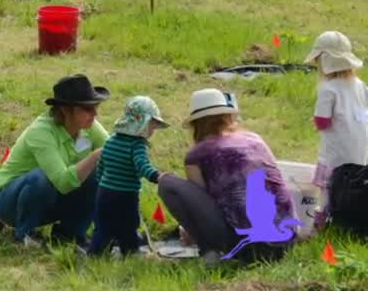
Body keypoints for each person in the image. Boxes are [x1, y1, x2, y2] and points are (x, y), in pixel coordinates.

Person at [158, 89, 295, 264]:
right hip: (285, 240)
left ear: (196, 124)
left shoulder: (197, 155)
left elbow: (202, 204)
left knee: (167, 183)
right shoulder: (255, 139)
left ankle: (211, 252)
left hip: (245, 246)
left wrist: (190, 230)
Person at [0, 75, 110, 248]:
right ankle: (24, 234)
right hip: (9, 202)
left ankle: (71, 234)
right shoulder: (41, 132)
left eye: (95, 107)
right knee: (42, 177)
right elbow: (62, 182)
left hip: (52, 198)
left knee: (102, 171)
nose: (95, 114)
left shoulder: (89, 125)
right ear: (65, 110)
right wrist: (94, 156)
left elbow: (114, 152)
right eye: (87, 108)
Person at [86, 96, 168, 257]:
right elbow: (142, 165)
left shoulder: (111, 141)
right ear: (142, 123)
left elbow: (101, 166)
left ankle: (96, 253)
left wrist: (101, 182)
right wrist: (157, 176)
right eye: (152, 126)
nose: (152, 131)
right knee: (128, 226)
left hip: (104, 193)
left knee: (102, 226)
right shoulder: (137, 145)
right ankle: (130, 251)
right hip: (126, 195)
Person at [305, 31, 366, 230]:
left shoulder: (328, 89)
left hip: (334, 153)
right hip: (359, 151)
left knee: (327, 190)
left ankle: (322, 223)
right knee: (353, 186)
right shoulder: (360, 85)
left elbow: (322, 121)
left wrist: (315, 122)